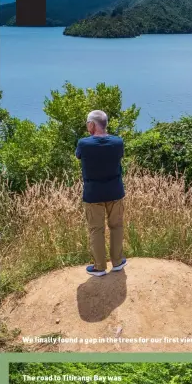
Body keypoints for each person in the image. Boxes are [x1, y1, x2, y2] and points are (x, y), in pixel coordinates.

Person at [76, 110, 127, 276]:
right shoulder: (118, 142)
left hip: (93, 194)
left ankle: (99, 267)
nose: (86, 126)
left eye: (87, 123)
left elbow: (79, 156)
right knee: (116, 226)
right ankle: (118, 262)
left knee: (96, 230)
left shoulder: (84, 144)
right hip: (115, 191)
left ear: (92, 124)